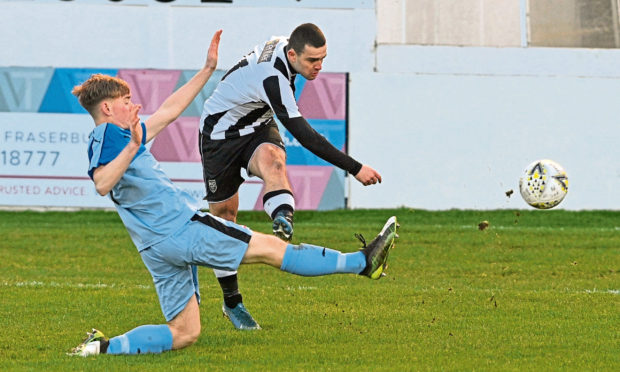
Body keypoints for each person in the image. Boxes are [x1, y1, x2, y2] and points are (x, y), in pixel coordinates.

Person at [68, 30, 399, 357]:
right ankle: (362, 263)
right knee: (273, 250)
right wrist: (133, 148)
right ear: (108, 108)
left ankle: (101, 347)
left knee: (184, 332)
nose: (134, 106)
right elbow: (102, 183)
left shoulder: (120, 136)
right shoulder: (110, 136)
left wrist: (207, 70)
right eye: (127, 102)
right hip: (182, 228)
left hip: (156, 247)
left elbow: (168, 111)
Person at [199, 23, 383, 330]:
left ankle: (282, 218)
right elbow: (306, 137)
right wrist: (355, 168)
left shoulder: (286, 46)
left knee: (275, 162)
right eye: (312, 61)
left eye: (323, 59)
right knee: (223, 223)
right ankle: (232, 302)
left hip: (257, 122)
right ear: (293, 54)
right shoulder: (273, 78)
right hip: (219, 136)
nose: (319, 67)